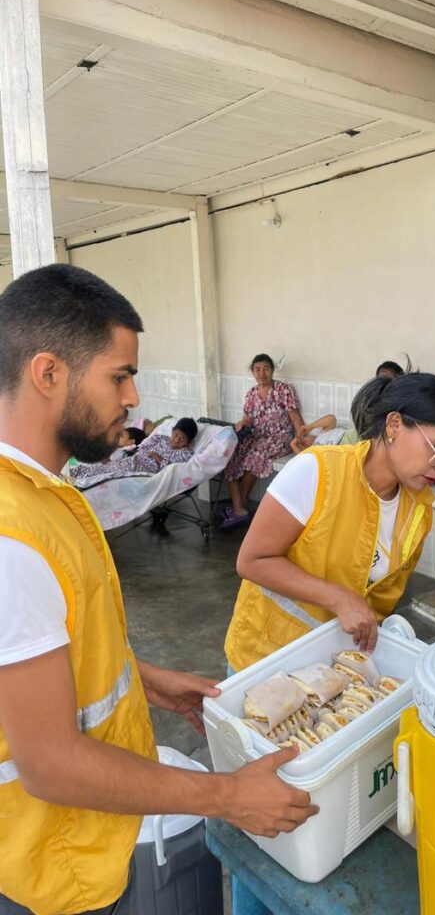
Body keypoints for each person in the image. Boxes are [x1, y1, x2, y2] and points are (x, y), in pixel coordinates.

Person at [0, 265, 317, 915]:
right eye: (119, 375)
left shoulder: (49, 493)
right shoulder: (11, 536)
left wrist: (143, 678)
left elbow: (46, 650)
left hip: (85, 847)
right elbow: (51, 764)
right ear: (48, 373)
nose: (134, 397)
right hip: (52, 871)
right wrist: (229, 796)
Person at [224, 372, 435, 671]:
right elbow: (252, 561)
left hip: (337, 669)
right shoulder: (317, 471)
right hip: (267, 657)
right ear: (394, 425)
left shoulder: (418, 508)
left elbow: (378, 596)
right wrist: (339, 599)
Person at [221, 354, 303, 529]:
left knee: (254, 458)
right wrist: (243, 422)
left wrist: (301, 437)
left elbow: (294, 416)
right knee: (230, 458)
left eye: (266, 369)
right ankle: (239, 508)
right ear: (252, 372)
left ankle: (239, 508)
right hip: (256, 436)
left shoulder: (283, 390)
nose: (262, 373)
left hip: (279, 438)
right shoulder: (251, 393)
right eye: (257, 369)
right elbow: (249, 417)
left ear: (272, 370)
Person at [71, 417, 198, 483]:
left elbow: (171, 469)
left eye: (182, 439)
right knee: (108, 466)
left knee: (110, 470)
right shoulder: (161, 438)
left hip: (146, 469)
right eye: (175, 435)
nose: (176, 440)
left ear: (188, 442)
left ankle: (77, 477)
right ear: (172, 431)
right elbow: (143, 446)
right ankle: (74, 473)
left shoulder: (185, 453)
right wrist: (143, 453)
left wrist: (157, 457)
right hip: (135, 459)